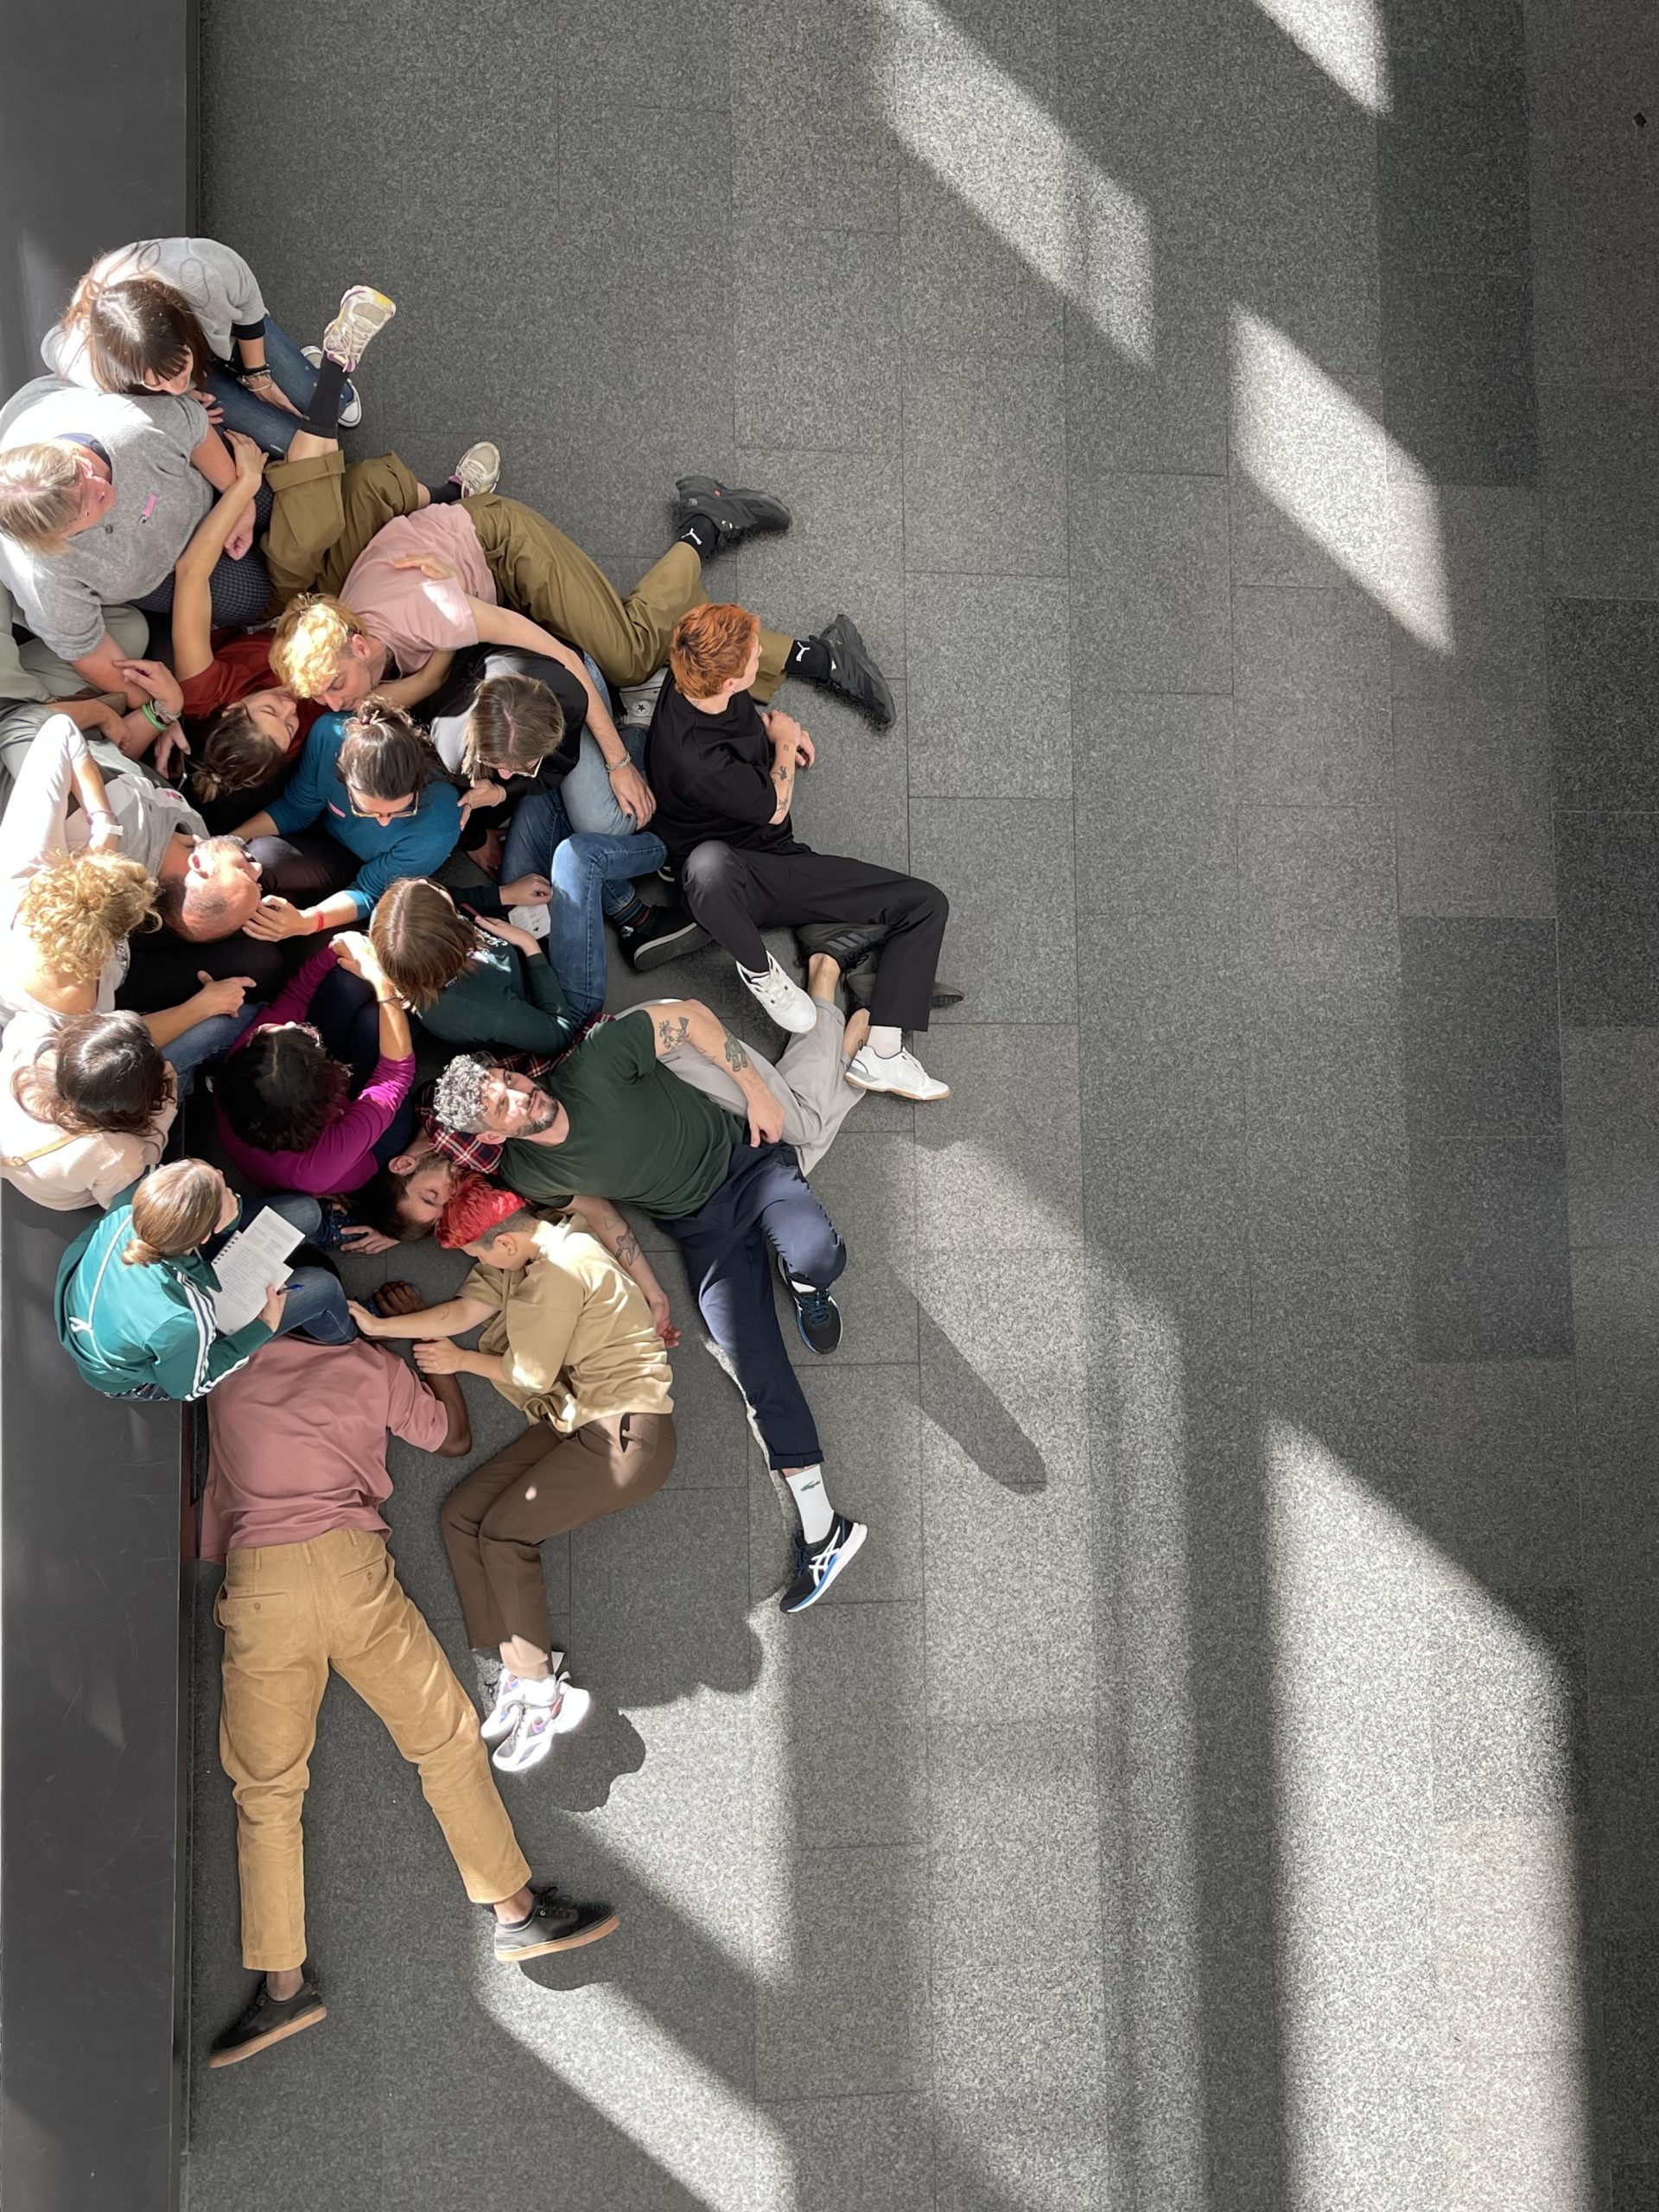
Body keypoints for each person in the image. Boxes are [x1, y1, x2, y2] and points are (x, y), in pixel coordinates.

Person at [200, 1325, 618, 2069]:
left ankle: (284, 1984)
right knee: (445, 1742)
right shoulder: (368, 1363)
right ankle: (515, 1914)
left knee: (267, 1792)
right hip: (351, 1569)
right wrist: (430, 1350)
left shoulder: (226, 1361)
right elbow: (451, 1439)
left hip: (262, 1582)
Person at [430, 996, 868, 1613]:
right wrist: (650, 1289)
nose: (518, 1095)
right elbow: (598, 1212)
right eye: (499, 1104)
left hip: (748, 1165)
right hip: (700, 1232)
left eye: (508, 1081)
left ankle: (805, 1283)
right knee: (753, 1365)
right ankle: (826, 1531)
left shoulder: (594, 1064)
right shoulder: (530, 1176)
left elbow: (692, 1014)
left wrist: (757, 1094)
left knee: (821, 1256)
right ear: (491, 1134)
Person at [350, 1181, 677, 1772]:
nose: (474, 1265)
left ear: (503, 1243)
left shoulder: (560, 1270)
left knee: (504, 1533)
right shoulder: (529, 1248)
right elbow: (462, 1312)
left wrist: (458, 1361)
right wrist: (377, 1329)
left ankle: (545, 1697)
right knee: (462, 1516)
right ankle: (516, 1666)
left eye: (476, 1255)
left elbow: (527, 1373)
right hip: (578, 1421)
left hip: (625, 1436)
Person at [264, 473, 893, 728]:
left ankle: (705, 528)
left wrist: (608, 736)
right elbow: (395, 691)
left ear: (361, 645)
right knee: (635, 647)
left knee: (623, 656)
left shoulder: (420, 614)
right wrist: (416, 676)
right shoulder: (353, 631)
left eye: (333, 685)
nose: (332, 703)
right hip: (471, 580)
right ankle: (817, 657)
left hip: (502, 546)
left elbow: (539, 644)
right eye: (321, 695)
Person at [649, 603, 955, 1100]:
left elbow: (742, 735)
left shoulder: (688, 681)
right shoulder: (699, 762)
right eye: (752, 656)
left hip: (755, 851)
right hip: (755, 867)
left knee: (910, 902)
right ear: (728, 682)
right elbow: (774, 807)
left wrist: (773, 735)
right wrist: (786, 745)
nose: (760, 654)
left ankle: (830, 937)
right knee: (924, 903)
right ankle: (880, 1051)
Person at [175, 426, 501, 830]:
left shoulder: (203, 693)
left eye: (270, 707)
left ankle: (445, 495)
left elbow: (190, 575)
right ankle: (464, 518)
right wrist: (454, 610)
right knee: (382, 529)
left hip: (289, 611)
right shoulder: (326, 717)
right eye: (290, 726)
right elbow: (429, 681)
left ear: (234, 707)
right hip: (355, 626)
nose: (292, 705)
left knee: (364, 488)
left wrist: (244, 486)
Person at [0, 710, 262, 1085]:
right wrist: (201, 1007)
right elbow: (115, 1044)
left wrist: (105, 825)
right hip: (91, 1040)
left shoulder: (24, 870)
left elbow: (58, 730)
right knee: (254, 975)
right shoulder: (76, 1012)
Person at [0, 375, 264, 692]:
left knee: (270, 504)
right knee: (251, 598)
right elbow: (84, 648)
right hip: (154, 571)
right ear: (59, 538)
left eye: (83, 471)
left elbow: (194, 426)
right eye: (85, 505)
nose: (101, 485)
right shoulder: (41, 573)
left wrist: (240, 499)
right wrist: (153, 711)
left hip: (192, 487)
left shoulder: (128, 423)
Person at [450, 666, 701, 982]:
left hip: (560, 701)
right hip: (537, 747)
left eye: (509, 767)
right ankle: (635, 915)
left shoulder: (550, 705)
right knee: (538, 885)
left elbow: (557, 763)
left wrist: (490, 812)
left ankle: (668, 833)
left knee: (602, 827)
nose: (503, 773)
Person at [231, 702, 550, 939]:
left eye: (399, 811)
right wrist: (226, 841)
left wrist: (306, 921)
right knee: (256, 855)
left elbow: (371, 890)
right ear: (343, 777)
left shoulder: (439, 823)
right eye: (367, 810)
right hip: (323, 837)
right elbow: (296, 807)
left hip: (362, 873)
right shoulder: (328, 735)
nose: (383, 823)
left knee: (274, 877)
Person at [55, 1158, 354, 1401]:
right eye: (224, 1190)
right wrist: (263, 1328)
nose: (224, 1175)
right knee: (323, 1288)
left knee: (304, 1212)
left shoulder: (134, 1203)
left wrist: (227, 1215)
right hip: (150, 1373)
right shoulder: (182, 1320)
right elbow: (190, 1386)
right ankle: (352, 1332)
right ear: (203, 1236)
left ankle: (321, 1233)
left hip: (164, 1280)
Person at [41, 245, 387, 454]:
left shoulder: (202, 272)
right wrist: (176, 399)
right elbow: (51, 346)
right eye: (156, 383)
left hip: (230, 331)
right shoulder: (86, 359)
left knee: (333, 407)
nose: (173, 385)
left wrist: (259, 377)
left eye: (177, 372)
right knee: (292, 442)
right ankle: (331, 365)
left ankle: (325, 371)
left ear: (185, 335)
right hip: (196, 376)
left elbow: (249, 311)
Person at [213, 935, 415, 1195]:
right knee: (373, 1022)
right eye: (296, 1032)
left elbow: (296, 996)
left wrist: (335, 949)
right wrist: (385, 989)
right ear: (330, 1087)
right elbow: (395, 1074)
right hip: (367, 1150)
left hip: (306, 1110)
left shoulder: (249, 1064)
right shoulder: (317, 1165)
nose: (288, 1024)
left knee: (347, 982)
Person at [368, 876, 579, 1055]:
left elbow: (449, 900)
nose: (425, 880)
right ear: (455, 937)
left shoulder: (389, 922)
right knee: (578, 865)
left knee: (540, 866)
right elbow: (559, 1035)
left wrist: (506, 894)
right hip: (547, 993)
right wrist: (529, 946)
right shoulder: (481, 1009)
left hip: (507, 932)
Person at [0, 1010, 175, 1211]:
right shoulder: (115, 1153)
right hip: (64, 1198)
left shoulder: (29, 1045)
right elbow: (116, 1198)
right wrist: (168, 1094)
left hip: (23, 1171)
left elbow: (29, 1017)